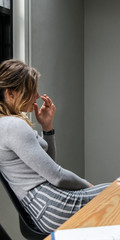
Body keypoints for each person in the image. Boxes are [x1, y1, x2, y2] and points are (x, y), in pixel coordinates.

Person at [0, 60, 109, 233]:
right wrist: (87, 185)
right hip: (51, 205)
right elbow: (57, 176)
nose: (37, 95)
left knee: (118, 192)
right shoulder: (13, 126)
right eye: (31, 90)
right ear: (10, 93)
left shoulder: (6, 125)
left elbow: (46, 167)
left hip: (46, 206)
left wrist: (47, 128)